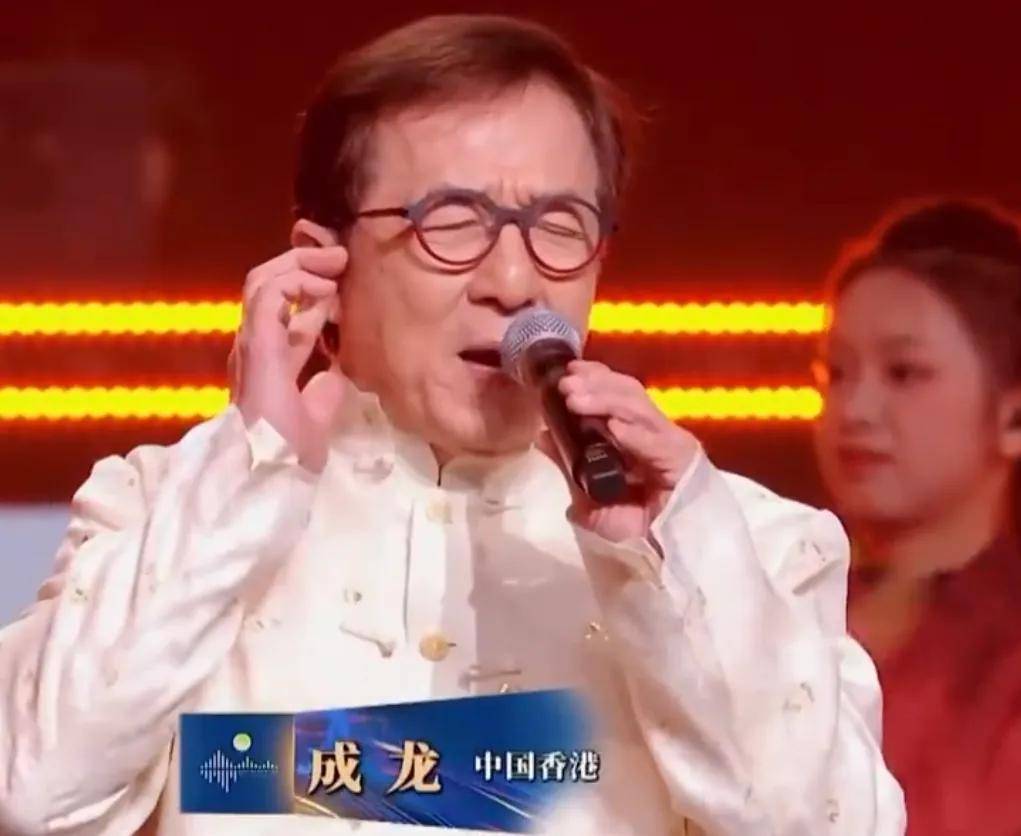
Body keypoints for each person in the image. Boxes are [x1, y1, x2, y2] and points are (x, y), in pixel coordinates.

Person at [0, 15, 904, 835]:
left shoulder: (744, 547)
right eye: (453, 222)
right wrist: (251, 470)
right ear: (323, 262)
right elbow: (35, 799)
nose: (515, 282)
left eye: (560, 225)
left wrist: (672, 564)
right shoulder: (164, 514)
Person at [813, 199, 1021, 835]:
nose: (855, 409)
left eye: (904, 373)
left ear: (1014, 416)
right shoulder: (771, 611)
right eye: (836, 374)